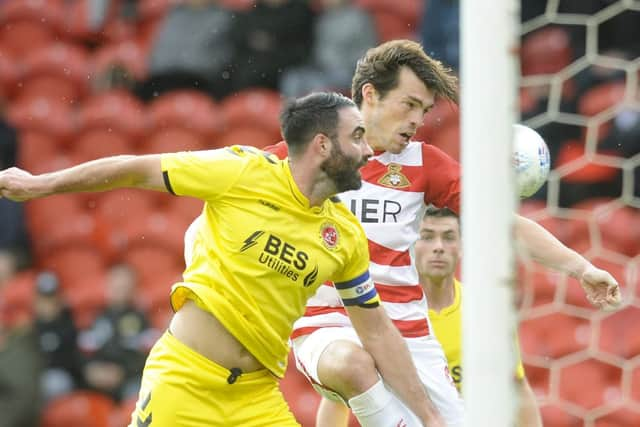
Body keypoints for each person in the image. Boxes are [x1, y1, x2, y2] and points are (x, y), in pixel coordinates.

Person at [0, 92, 444, 427]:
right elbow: (135, 168)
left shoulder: (345, 235)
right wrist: (41, 185)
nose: (369, 151)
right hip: (185, 380)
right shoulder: (243, 171)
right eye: (358, 137)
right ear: (323, 145)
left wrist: (429, 416)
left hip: (255, 397)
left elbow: (378, 330)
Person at [245, 40, 620, 426]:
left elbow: (503, 225)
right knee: (351, 363)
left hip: (406, 333)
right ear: (370, 95)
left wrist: (581, 268)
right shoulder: (309, 155)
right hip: (328, 321)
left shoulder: (423, 164)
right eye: (408, 104)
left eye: (423, 111)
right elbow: (234, 192)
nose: (416, 120)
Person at [314, 206, 544, 427]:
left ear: (462, 246)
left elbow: (517, 387)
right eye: (427, 237)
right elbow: (335, 401)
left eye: (449, 237)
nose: (439, 247)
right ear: (410, 244)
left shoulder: (486, 312)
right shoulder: (379, 315)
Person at [79, 263, 152, 402]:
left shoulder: (143, 319)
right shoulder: (94, 317)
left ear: (133, 288)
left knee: (138, 393)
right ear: (107, 285)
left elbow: (148, 357)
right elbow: (81, 351)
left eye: (125, 285)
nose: (120, 288)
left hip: (129, 381)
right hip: (96, 382)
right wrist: (91, 370)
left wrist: (122, 372)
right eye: (116, 284)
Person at [33, 271, 84, 401]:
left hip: (62, 378)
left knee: (52, 383)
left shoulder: (69, 325)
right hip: (35, 377)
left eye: (51, 298)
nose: (48, 304)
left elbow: (74, 361)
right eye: (44, 299)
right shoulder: (30, 328)